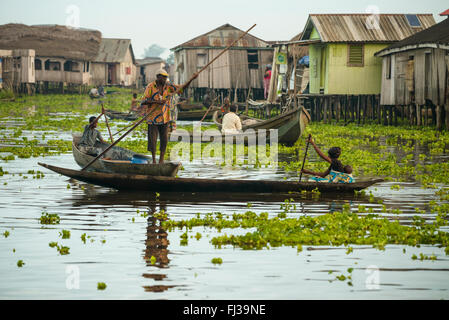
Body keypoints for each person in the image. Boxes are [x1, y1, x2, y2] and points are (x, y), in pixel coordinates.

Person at [139, 68, 197, 164]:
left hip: (165, 118)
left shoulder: (168, 86)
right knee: (153, 141)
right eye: (163, 77)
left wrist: (191, 79)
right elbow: (143, 101)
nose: (165, 80)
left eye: (166, 78)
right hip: (152, 118)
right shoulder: (150, 87)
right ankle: (154, 160)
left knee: (164, 140)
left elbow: (181, 88)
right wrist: (157, 102)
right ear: (158, 77)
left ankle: (161, 161)